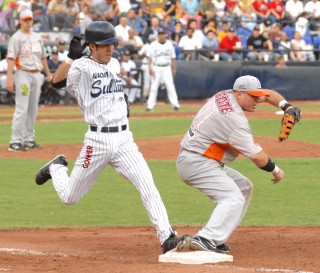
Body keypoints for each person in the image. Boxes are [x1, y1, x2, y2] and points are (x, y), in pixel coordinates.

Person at [35, 21, 191, 254]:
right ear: (91, 46)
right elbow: (56, 82)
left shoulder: (115, 63)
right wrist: (70, 58)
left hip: (124, 140)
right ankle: (57, 167)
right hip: (96, 141)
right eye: (105, 45)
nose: (110, 49)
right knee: (69, 197)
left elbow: (113, 90)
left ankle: (167, 236)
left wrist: (121, 102)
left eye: (113, 44)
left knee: (147, 184)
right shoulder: (80, 67)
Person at [176, 75, 301, 253]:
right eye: (253, 96)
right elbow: (258, 157)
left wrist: (286, 106)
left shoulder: (225, 94)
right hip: (196, 162)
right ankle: (205, 239)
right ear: (240, 94)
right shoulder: (234, 121)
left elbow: (268, 95)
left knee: (244, 187)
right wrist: (276, 170)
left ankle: (217, 239)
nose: (257, 100)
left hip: (201, 158)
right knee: (232, 198)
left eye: (258, 95)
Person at [7, 10, 52, 152]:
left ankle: (28, 139)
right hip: (23, 74)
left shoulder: (38, 37)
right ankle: (15, 141)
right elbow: (11, 59)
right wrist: (9, 78)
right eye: (25, 20)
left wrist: (48, 73)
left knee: (33, 108)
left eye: (30, 20)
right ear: (20, 21)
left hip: (37, 74)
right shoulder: (16, 38)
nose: (28, 22)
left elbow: (43, 57)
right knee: (22, 107)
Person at [146, 29, 180, 112]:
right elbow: (150, 58)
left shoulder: (169, 44)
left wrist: (174, 68)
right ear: (158, 36)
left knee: (170, 86)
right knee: (154, 87)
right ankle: (150, 106)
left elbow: (173, 57)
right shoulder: (153, 44)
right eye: (160, 34)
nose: (161, 36)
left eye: (163, 34)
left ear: (165, 35)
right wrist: (149, 67)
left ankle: (175, 105)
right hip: (156, 67)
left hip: (167, 67)